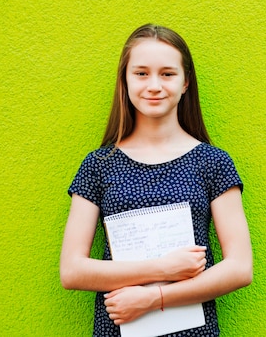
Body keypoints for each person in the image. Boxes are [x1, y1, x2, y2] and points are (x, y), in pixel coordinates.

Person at [60, 24, 253, 336]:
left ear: (185, 81)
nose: (153, 85)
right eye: (141, 73)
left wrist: (154, 297)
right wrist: (162, 269)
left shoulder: (213, 162)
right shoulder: (98, 165)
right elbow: (72, 270)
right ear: (125, 80)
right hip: (120, 328)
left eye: (167, 73)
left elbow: (240, 268)